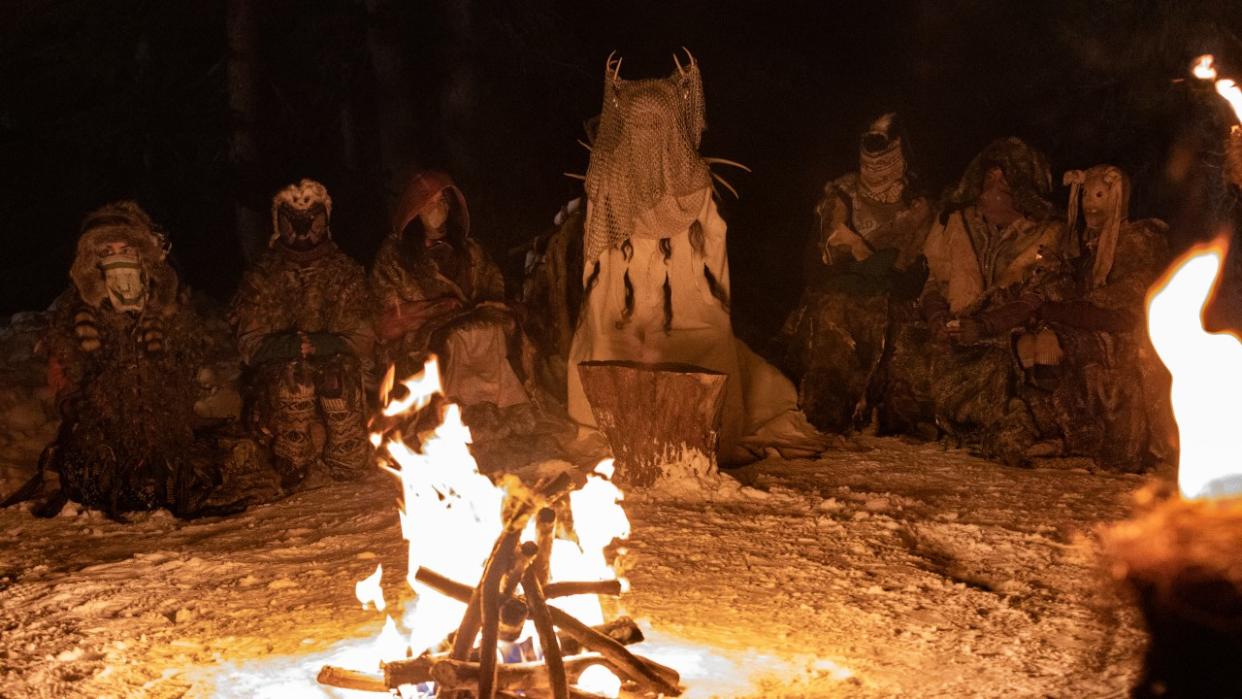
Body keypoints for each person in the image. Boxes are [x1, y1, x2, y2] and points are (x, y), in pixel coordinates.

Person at [567, 52, 825, 462]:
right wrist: (611, 310)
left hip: (686, 313)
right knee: (604, 345)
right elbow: (597, 259)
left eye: (655, 126)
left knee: (707, 347)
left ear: (671, 127)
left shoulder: (693, 184)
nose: (646, 135)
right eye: (637, 126)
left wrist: (695, 303)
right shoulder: (609, 181)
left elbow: (713, 261)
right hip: (621, 311)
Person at [38, 202, 231, 518]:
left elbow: (189, 356)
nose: (117, 256)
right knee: (96, 481)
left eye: (124, 247)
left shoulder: (166, 300)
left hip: (161, 414)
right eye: (107, 249)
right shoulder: (76, 310)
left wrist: (166, 319)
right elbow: (65, 373)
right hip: (105, 417)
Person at [886, 138, 1066, 463]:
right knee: (911, 346)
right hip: (956, 329)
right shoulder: (957, 224)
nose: (992, 187)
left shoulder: (1047, 234)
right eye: (989, 179)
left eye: (1003, 181)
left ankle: (991, 431)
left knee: (994, 368)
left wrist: (984, 326)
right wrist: (936, 315)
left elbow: (1035, 297)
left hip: (1005, 334)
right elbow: (935, 281)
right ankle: (928, 420)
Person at [777, 113, 934, 432]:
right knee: (833, 315)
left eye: (882, 139)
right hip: (838, 299)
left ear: (900, 147)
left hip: (893, 305)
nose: (873, 149)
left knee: (896, 336)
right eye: (869, 137)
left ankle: (882, 412)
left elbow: (912, 276)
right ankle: (827, 413)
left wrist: (865, 254)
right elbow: (819, 267)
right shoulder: (840, 196)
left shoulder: (918, 209)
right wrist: (858, 261)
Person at [1013, 165, 1171, 468]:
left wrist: (1065, 314)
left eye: (1099, 195)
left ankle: (1084, 440)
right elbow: (1075, 294)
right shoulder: (1087, 247)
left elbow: (1127, 300)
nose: (1089, 204)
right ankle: (1054, 430)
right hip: (1092, 325)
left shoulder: (1140, 241)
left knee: (1058, 345)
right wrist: (1055, 274)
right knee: (1026, 345)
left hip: (1128, 334)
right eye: (1085, 195)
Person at [231, 179, 373, 488]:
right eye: (293, 220)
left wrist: (320, 344)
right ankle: (291, 459)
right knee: (296, 380)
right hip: (280, 384)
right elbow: (250, 345)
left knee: (337, 376)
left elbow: (362, 340)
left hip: (334, 379)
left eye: (312, 219)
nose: (304, 229)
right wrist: (293, 347)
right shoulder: (262, 275)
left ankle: (346, 458)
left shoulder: (344, 272)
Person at [371, 170, 536, 428]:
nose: (439, 209)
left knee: (491, 330)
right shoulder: (396, 256)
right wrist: (434, 309)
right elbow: (388, 314)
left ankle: (500, 406)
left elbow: (491, 287)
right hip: (422, 337)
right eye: (430, 203)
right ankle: (453, 413)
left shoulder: (469, 250)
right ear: (415, 210)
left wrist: (494, 307)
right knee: (459, 338)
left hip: (474, 321)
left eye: (443, 202)